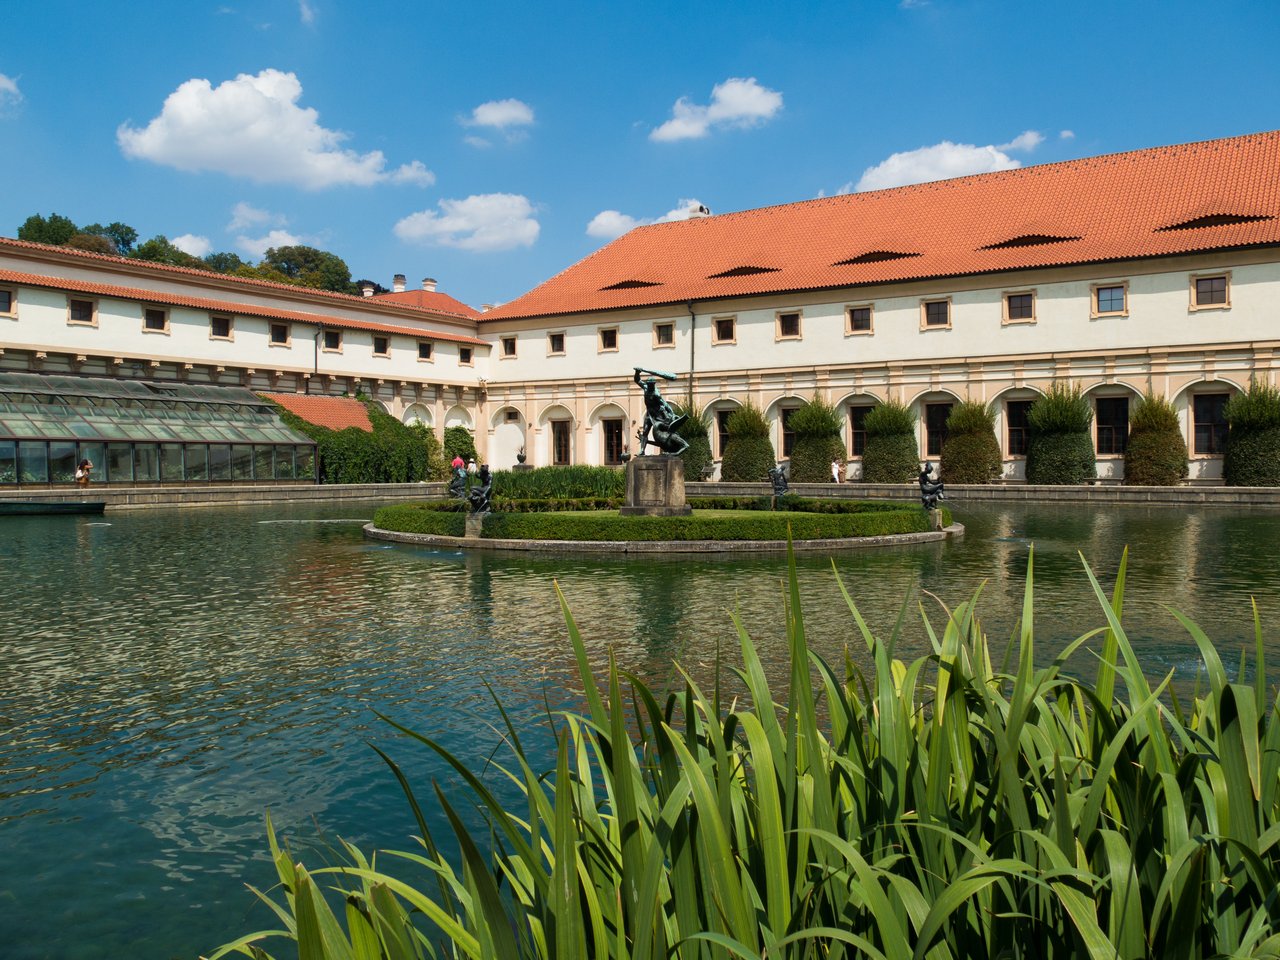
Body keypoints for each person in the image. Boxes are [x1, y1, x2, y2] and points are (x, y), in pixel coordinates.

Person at [633, 368, 688, 456]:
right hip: (649, 414)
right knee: (645, 432)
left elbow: (665, 405)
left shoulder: (656, 394)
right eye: (649, 384)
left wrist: (672, 414)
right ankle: (642, 450)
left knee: (665, 431)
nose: (650, 386)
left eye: (651, 385)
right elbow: (637, 380)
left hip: (658, 416)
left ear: (654, 384)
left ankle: (672, 447)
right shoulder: (645, 388)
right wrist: (637, 372)